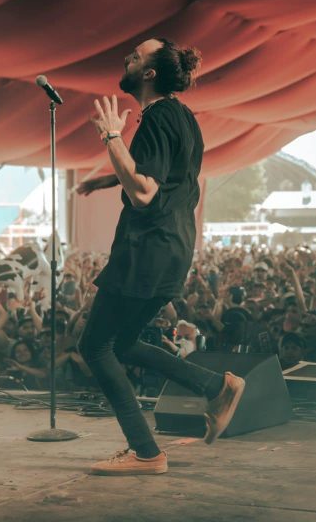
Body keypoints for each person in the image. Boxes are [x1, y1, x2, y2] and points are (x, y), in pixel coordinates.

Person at [74, 38, 244, 476]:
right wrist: (108, 182)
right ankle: (214, 386)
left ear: (149, 73)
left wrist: (112, 136)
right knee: (124, 342)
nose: (127, 56)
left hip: (147, 248)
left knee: (95, 346)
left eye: (136, 54)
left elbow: (146, 191)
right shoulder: (181, 116)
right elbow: (165, 178)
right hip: (172, 247)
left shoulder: (154, 118)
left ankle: (146, 452)